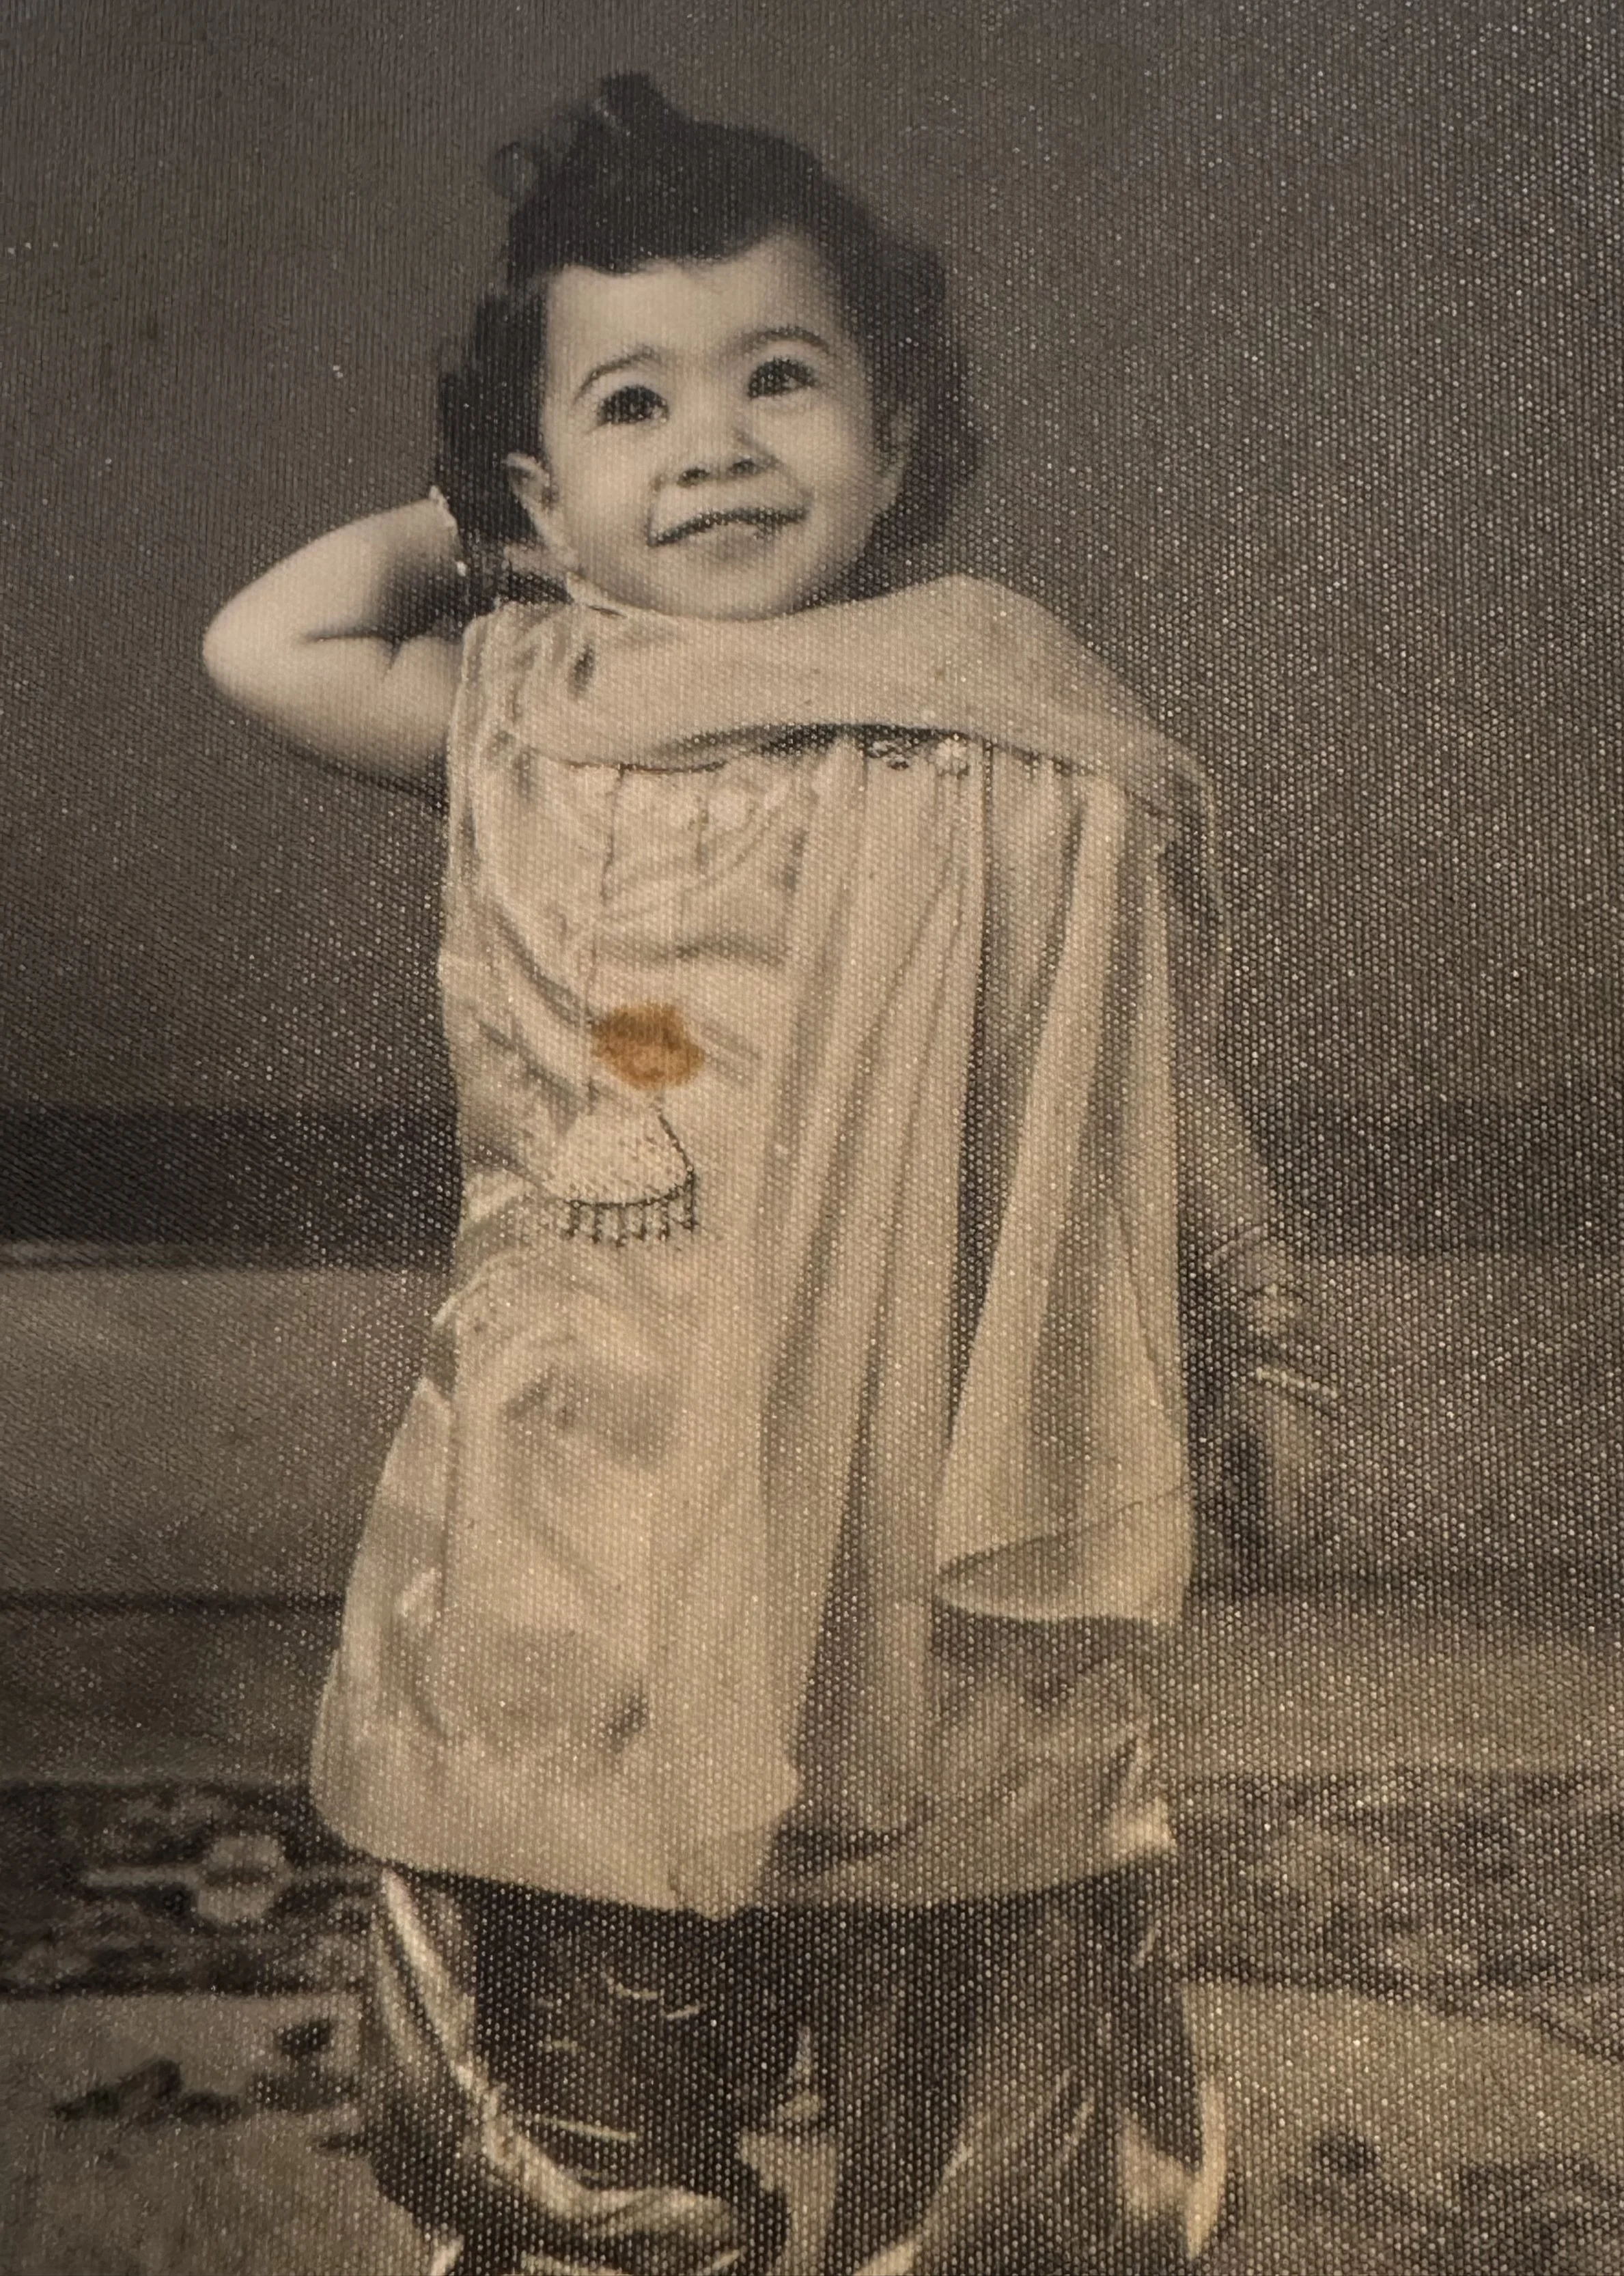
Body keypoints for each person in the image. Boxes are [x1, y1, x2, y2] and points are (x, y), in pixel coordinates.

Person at [204, 75, 1330, 2276]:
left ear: (894, 442)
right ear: (535, 485)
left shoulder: (1015, 724)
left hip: (928, 1483)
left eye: (778, 381)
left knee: (972, 1956)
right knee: (596, 1985)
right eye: (632, 404)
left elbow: (1151, 1077)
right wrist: (485, 528)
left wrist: (1259, 1324)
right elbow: (267, 642)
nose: (711, 444)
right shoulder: (519, 701)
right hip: (600, 1494)